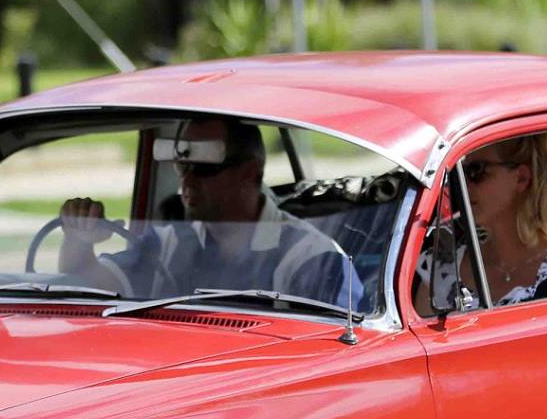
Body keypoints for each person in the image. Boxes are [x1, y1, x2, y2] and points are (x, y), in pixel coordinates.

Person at [57, 118, 363, 310]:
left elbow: (336, 355)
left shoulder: (311, 258)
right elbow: (87, 282)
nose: (187, 181)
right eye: (182, 166)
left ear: (249, 173)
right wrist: (78, 240)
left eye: (204, 168)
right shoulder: (167, 243)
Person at [421, 131, 547, 306]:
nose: (464, 185)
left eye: (476, 170)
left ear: (521, 178)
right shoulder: (444, 268)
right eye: (460, 172)